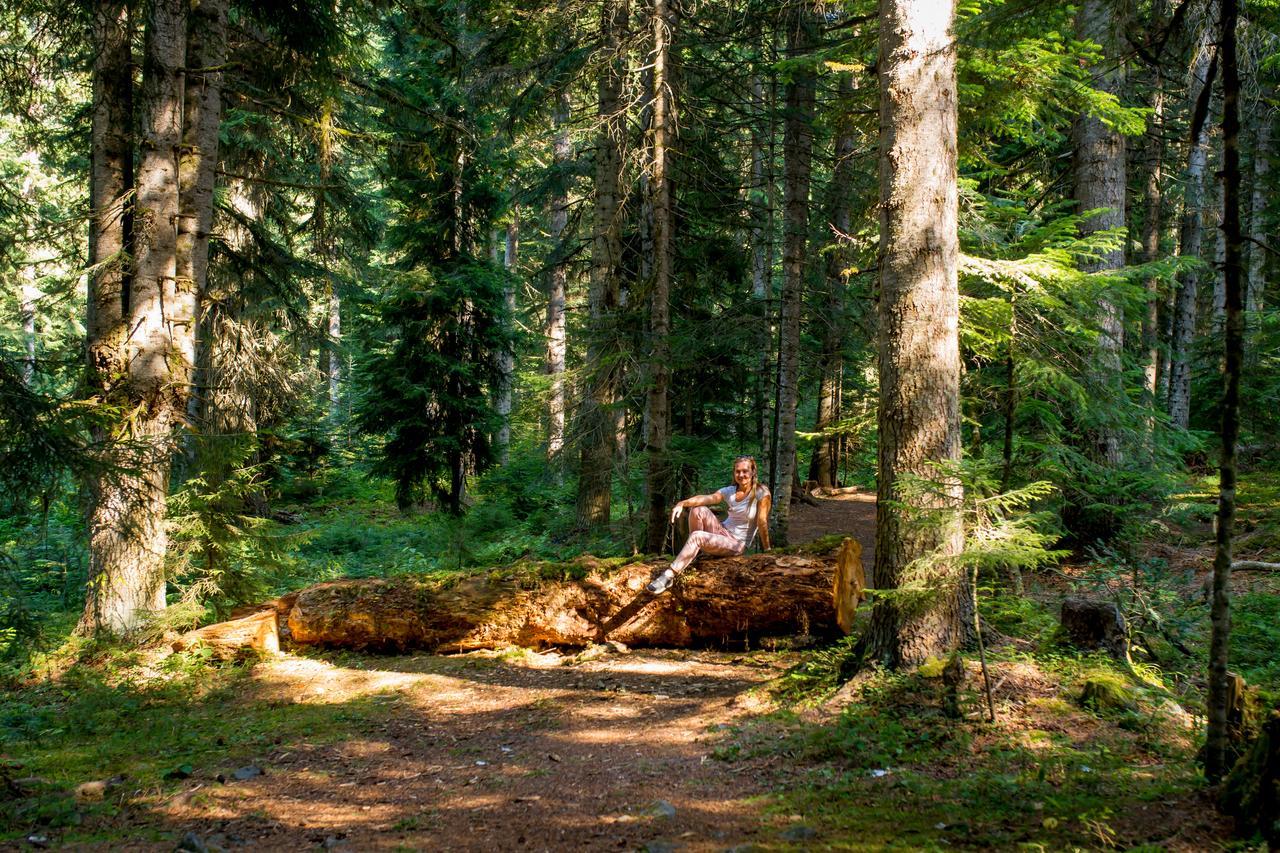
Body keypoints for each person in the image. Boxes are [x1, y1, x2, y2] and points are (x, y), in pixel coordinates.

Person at [646, 456, 772, 595]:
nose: (741, 475)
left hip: (736, 544)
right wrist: (682, 503)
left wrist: (768, 550)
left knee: (697, 536)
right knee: (698, 509)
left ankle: (669, 576)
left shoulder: (761, 492)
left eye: (745, 471)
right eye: (737, 471)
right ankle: (693, 555)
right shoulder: (730, 491)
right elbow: (707, 498)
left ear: (753, 472)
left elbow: (762, 521)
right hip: (722, 532)